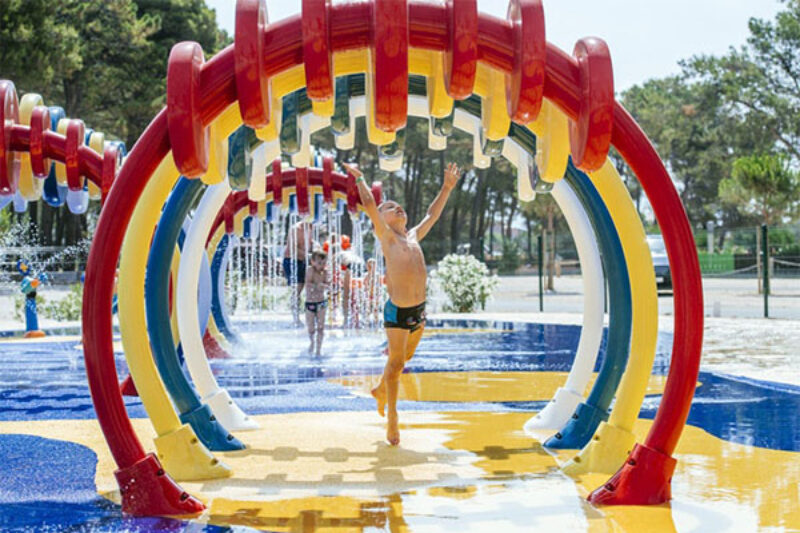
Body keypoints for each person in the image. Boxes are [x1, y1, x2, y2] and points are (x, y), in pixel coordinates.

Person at [343, 160, 462, 445]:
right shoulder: (387, 238)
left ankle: (379, 389)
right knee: (396, 363)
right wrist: (360, 179)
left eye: (399, 205)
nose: (397, 207)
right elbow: (371, 204)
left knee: (405, 358)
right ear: (381, 220)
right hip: (397, 312)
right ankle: (393, 418)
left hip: (419, 312)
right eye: (390, 207)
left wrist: (446, 188)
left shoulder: (412, 237)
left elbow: (432, 215)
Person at [283, 220, 311, 326]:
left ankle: (308, 316)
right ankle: (295, 318)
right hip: (292, 261)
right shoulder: (296, 228)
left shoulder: (311, 228)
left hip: (303, 261)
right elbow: (292, 247)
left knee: (307, 289)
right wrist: (308, 255)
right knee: (296, 291)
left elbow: (309, 243)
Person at [304, 250, 329, 356]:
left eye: (324, 263)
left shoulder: (325, 272)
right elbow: (307, 284)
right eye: (319, 263)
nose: (322, 266)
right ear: (312, 262)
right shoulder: (310, 270)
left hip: (321, 303)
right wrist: (316, 286)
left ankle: (319, 348)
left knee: (321, 327)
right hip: (310, 304)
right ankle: (312, 342)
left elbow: (328, 283)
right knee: (311, 328)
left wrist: (327, 285)